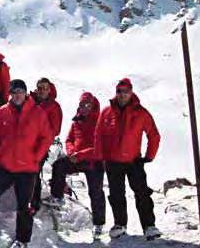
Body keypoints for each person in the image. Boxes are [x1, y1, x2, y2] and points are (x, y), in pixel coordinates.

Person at [0, 79, 53, 248]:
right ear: (10, 94)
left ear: (26, 93)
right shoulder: (3, 111)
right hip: (6, 166)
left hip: (27, 168)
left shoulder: (37, 112)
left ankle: (23, 240)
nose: (17, 95)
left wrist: (35, 156)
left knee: (24, 206)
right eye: (14, 92)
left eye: (20, 92)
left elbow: (47, 137)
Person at [95, 78, 162, 240]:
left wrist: (149, 156)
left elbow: (154, 135)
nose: (122, 95)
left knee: (142, 193)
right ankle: (120, 224)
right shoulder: (106, 112)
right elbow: (99, 135)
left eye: (126, 91)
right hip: (113, 161)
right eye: (119, 91)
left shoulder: (141, 112)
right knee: (117, 194)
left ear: (131, 92)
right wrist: (100, 157)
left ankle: (149, 226)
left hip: (134, 161)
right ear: (116, 92)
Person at [42, 92, 106, 239]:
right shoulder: (77, 120)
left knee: (96, 192)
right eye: (82, 104)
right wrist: (71, 153)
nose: (84, 107)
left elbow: (99, 147)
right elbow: (69, 139)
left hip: (94, 161)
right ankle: (57, 196)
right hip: (76, 158)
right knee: (59, 165)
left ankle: (98, 224)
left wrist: (79, 155)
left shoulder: (100, 122)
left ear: (93, 105)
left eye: (87, 104)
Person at [29, 77, 63, 212]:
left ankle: (34, 202)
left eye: (45, 88)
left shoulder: (54, 107)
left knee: (34, 170)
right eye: (40, 88)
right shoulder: (30, 102)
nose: (42, 91)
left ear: (50, 90)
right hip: (25, 142)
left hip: (41, 145)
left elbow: (55, 129)